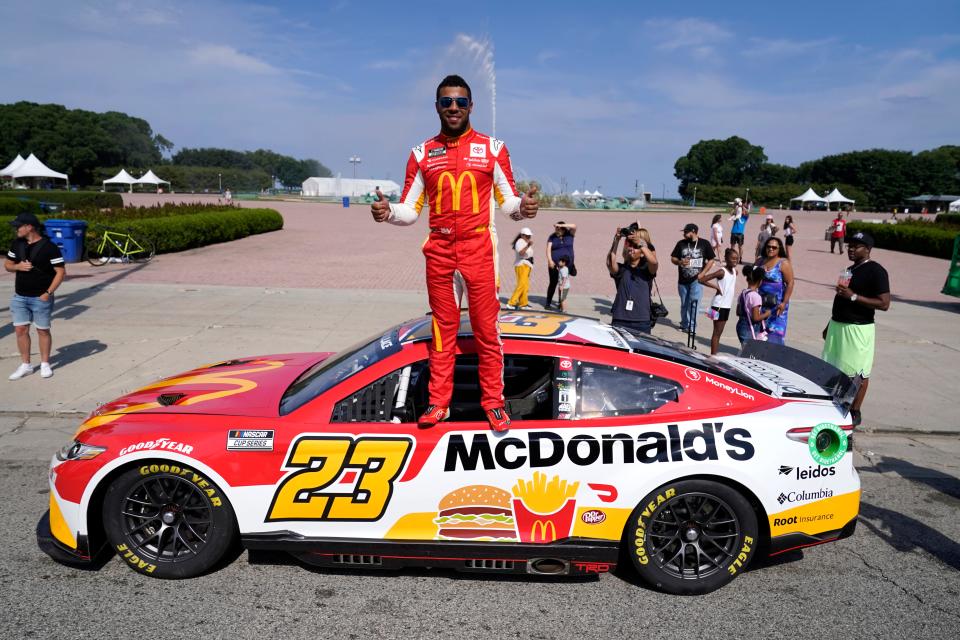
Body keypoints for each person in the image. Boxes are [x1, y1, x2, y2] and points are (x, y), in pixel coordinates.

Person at [370, 74, 539, 432]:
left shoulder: (494, 148)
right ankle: (438, 403)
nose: (453, 108)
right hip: (440, 253)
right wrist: (388, 214)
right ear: (436, 107)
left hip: (478, 250)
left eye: (460, 102)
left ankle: (493, 402)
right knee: (443, 330)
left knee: (486, 331)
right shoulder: (421, 153)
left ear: (471, 106)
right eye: (446, 102)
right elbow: (411, 209)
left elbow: (508, 201)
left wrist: (523, 208)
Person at [822, 231, 890, 427]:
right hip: (838, 326)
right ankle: (837, 405)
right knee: (834, 368)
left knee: (858, 373)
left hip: (858, 328)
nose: (850, 249)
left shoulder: (876, 271)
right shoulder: (850, 270)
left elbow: (884, 303)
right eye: (849, 245)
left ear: (868, 250)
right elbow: (841, 299)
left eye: (856, 246)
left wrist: (853, 296)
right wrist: (830, 324)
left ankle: (855, 411)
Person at [4, 212, 66, 380]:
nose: (16, 229)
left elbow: (60, 272)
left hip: (41, 297)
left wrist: (47, 293)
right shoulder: (17, 244)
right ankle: (26, 365)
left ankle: (45, 363)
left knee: (43, 330)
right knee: (20, 329)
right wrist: (18, 267)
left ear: (29, 227)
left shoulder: (49, 247)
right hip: (20, 296)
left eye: (18, 226)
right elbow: (7, 265)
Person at [607, 226, 658, 334]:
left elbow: (654, 262)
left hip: (641, 320)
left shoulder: (647, 271)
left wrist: (641, 243)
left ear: (643, 253)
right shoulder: (622, 269)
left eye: (635, 247)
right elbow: (610, 263)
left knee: (641, 350)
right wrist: (616, 240)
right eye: (630, 246)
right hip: (620, 318)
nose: (631, 248)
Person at [670, 223, 715, 333]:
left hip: (697, 279)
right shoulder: (681, 244)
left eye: (686, 232)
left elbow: (711, 259)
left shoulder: (704, 243)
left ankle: (692, 327)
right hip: (683, 279)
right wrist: (680, 261)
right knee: (684, 304)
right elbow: (673, 258)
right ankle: (684, 324)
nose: (684, 234)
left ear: (693, 231)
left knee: (694, 304)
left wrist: (703, 273)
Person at [700, 247, 738, 355]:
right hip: (719, 305)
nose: (735, 261)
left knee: (719, 333)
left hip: (726, 306)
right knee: (717, 333)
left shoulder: (735, 271)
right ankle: (713, 357)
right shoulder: (722, 272)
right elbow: (701, 279)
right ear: (726, 258)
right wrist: (716, 287)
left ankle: (714, 356)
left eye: (737, 259)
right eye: (732, 258)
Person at [756, 236, 794, 345]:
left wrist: (784, 302)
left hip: (778, 306)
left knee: (775, 332)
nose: (771, 249)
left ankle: (774, 356)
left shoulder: (783, 263)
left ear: (779, 249)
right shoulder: (760, 261)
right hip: (761, 303)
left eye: (774, 247)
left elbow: (790, 282)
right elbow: (752, 278)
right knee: (761, 332)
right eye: (768, 246)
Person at [736, 265, 772, 346]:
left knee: (745, 349)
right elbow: (756, 318)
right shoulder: (756, 296)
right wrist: (767, 314)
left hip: (741, 326)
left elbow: (738, 312)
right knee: (749, 353)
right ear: (760, 281)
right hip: (749, 328)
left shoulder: (743, 293)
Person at [545, 221, 576, 309]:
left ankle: (560, 302)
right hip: (554, 265)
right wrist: (550, 260)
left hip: (567, 265)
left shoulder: (569, 234)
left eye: (559, 228)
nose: (557, 230)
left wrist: (561, 225)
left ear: (563, 228)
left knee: (562, 283)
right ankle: (548, 303)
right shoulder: (552, 237)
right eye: (556, 228)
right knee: (553, 283)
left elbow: (574, 226)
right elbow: (548, 249)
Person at [507, 227, 534, 310]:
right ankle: (511, 303)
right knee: (521, 284)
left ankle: (523, 303)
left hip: (527, 265)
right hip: (522, 264)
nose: (528, 237)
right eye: (527, 236)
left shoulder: (524, 242)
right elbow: (521, 253)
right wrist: (528, 246)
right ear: (522, 235)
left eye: (529, 236)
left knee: (525, 285)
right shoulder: (520, 242)